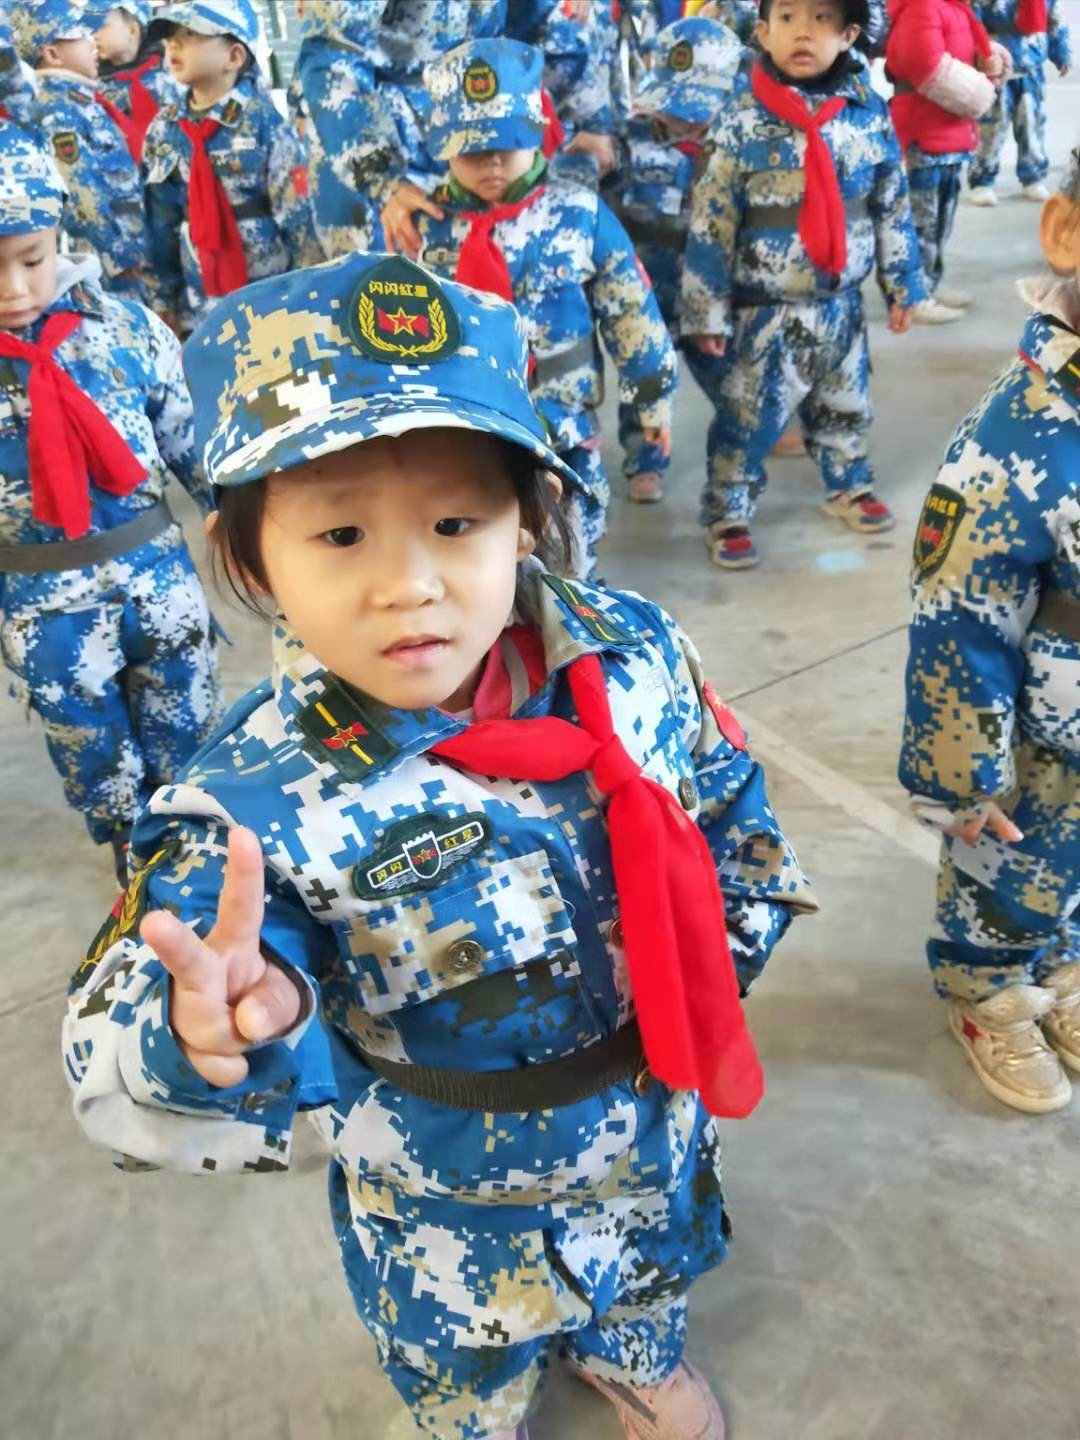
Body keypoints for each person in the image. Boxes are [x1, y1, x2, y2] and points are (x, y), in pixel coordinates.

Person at [63, 250, 816, 1440]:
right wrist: (202, 1031)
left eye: (457, 523)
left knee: (648, 1270)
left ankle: (631, 1351)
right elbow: (137, 1012)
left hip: (648, 1112)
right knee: (460, 1357)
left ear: (529, 521)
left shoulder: (629, 656)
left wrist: (731, 939)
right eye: (341, 536)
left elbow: (723, 801)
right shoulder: (255, 796)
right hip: (445, 1185)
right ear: (251, 562)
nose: (409, 586)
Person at [898, 156, 1080, 1115]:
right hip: (1044, 739)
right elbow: (959, 621)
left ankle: (1065, 960)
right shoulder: (1018, 442)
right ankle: (987, 990)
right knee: (1006, 874)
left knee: (1072, 879)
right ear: (1066, 234)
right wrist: (960, 778)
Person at [0, 126, 222, 884]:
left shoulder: (125, 330)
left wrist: (240, 517)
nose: (15, 289)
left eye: (32, 260)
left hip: (159, 585)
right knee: (94, 753)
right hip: (46, 610)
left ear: (58, 234)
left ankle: (201, 852)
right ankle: (137, 863)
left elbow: (190, 436)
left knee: (189, 730)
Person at [415, 37, 679, 580]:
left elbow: (632, 314)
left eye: (506, 145)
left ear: (535, 134)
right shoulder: (424, 227)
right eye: (472, 151)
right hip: (464, 433)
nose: (491, 162)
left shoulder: (578, 214)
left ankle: (574, 618)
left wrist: (652, 401)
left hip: (562, 428)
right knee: (476, 560)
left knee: (573, 556)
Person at [681, 0, 926, 570]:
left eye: (822, 20)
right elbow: (711, 222)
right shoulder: (740, 121)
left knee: (846, 402)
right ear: (763, 32)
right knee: (748, 415)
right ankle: (728, 508)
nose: (804, 34)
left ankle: (849, 482)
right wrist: (705, 310)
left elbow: (891, 204)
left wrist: (902, 283)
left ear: (849, 35)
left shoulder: (867, 114)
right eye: (788, 18)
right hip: (765, 307)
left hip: (843, 304)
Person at [295, 0, 616, 260]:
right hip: (372, 148)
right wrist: (385, 181)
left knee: (481, 297)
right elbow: (333, 61)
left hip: (474, 138)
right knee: (385, 301)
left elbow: (541, 22)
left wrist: (592, 120)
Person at [613, 15, 746, 504]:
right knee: (646, 380)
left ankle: (748, 438)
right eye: (676, 107)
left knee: (734, 376)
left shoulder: (742, 141)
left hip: (714, 293)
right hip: (650, 291)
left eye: (699, 109)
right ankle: (644, 462)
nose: (686, 121)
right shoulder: (628, 140)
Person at [141, 0, 320, 334]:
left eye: (191, 33)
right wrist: (162, 297)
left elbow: (298, 218)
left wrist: (309, 294)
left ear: (234, 57)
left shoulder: (263, 122)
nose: (173, 44)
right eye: (170, 35)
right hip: (199, 306)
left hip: (272, 301)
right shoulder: (166, 129)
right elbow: (159, 221)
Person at [13, 0, 148, 302]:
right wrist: (118, 253)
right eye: (83, 36)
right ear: (53, 54)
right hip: (109, 258)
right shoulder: (58, 110)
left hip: (125, 246)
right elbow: (79, 193)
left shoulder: (78, 101)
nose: (93, 43)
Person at [886, 0, 1008, 322]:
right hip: (923, 134)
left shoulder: (956, 9)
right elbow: (923, 63)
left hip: (949, 134)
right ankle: (912, 297)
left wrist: (989, 60)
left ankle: (929, 284)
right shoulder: (921, 8)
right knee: (920, 224)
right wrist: (981, 92)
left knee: (941, 223)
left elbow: (963, 54)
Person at [968, 0, 1071, 205]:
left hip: (1031, 69)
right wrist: (976, 53)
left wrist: (1062, 54)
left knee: (1032, 126)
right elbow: (971, 22)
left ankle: (1033, 177)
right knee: (992, 128)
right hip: (996, 70)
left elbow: (1054, 23)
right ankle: (982, 180)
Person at [93, 0, 182, 165]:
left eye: (102, 26)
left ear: (133, 30)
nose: (95, 34)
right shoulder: (95, 89)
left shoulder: (172, 72)